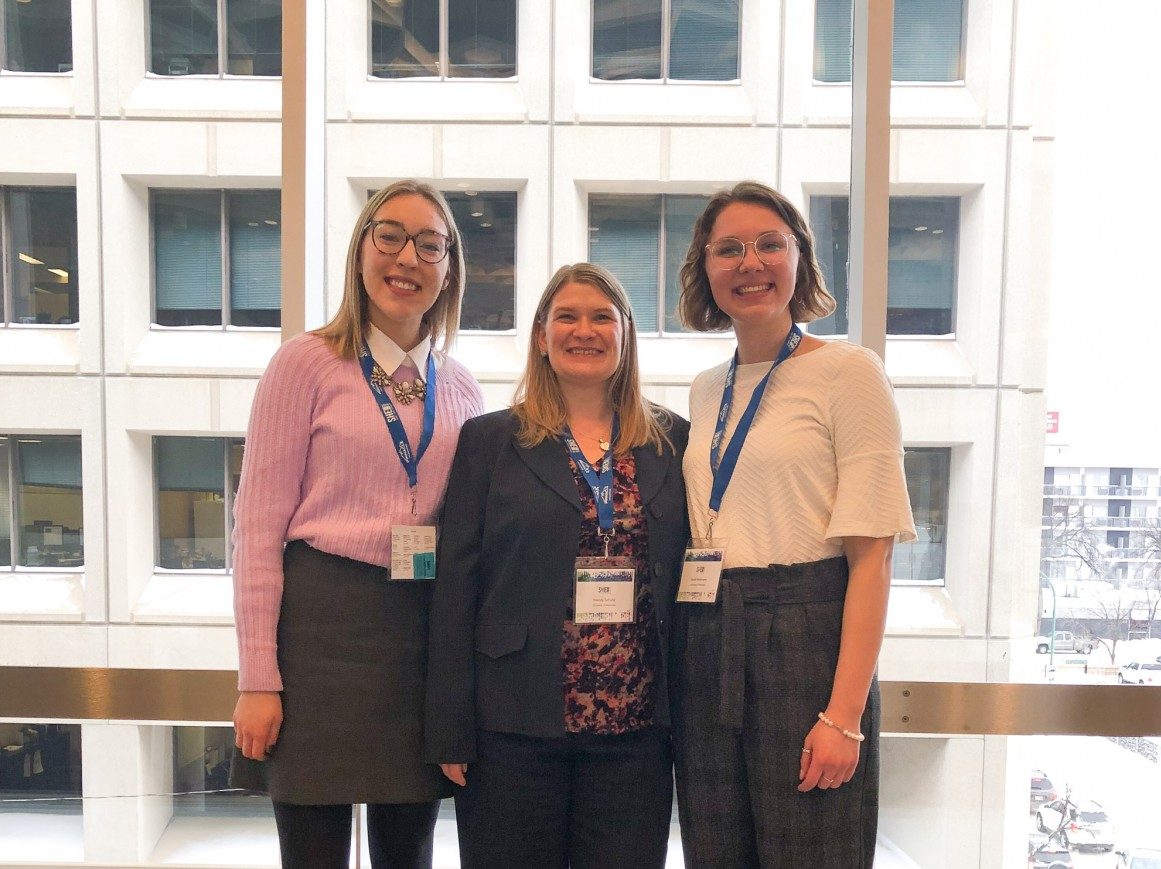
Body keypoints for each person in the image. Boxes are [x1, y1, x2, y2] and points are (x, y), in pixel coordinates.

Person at [231, 180, 484, 869]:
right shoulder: (305, 364)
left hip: (420, 635)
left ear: (450, 269)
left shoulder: (461, 388)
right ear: (362, 249)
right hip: (319, 636)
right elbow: (256, 529)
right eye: (390, 235)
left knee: (411, 853)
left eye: (430, 244)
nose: (408, 257)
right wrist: (259, 676)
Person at [673, 181, 916, 868]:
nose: (750, 262)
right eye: (729, 249)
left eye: (769, 244)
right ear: (706, 269)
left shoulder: (850, 372)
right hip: (711, 633)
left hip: (806, 633)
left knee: (812, 850)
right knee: (715, 851)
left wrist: (843, 715)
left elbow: (871, 560)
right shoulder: (705, 388)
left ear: (800, 259)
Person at [424, 263, 689, 869]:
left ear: (625, 335)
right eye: (565, 316)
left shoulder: (672, 442)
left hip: (637, 735)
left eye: (602, 316)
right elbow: (456, 589)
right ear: (542, 335)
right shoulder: (489, 441)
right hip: (513, 728)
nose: (583, 330)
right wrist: (449, 727)